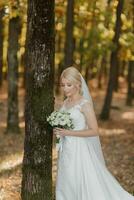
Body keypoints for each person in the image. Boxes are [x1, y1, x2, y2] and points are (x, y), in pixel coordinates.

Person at [53, 66, 134, 200]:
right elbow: (64, 122)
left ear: (78, 85)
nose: (65, 88)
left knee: (79, 178)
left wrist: (69, 132)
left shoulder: (84, 104)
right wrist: (58, 128)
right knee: (67, 179)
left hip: (80, 149)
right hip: (65, 148)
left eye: (69, 85)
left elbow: (94, 130)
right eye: (63, 85)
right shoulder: (66, 102)